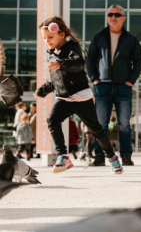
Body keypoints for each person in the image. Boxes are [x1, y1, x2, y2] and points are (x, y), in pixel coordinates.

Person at [34, 18, 119, 173]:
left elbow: (78, 63)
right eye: (44, 38)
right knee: (52, 120)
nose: (47, 41)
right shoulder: (50, 55)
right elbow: (54, 79)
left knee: (96, 130)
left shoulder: (71, 48)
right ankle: (63, 156)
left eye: (50, 37)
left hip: (81, 97)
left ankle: (112, 158)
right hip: (64, 98)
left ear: (61, 34)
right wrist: (42, 91)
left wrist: (61, 64)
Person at [85, 4, 141, 166]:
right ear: (107, 17)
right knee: (100, 124)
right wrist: (94, 78)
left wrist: (131, 80)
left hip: (123, 86)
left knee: (124, 124)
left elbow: (139, 61)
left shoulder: (131, 38)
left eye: (117, 15)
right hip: (102, 86)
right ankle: (99, 156)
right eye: (110, 14)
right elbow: (90, 59)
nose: (113, 17)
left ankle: (126, 156)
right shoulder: (99, 37)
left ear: (123, 18)